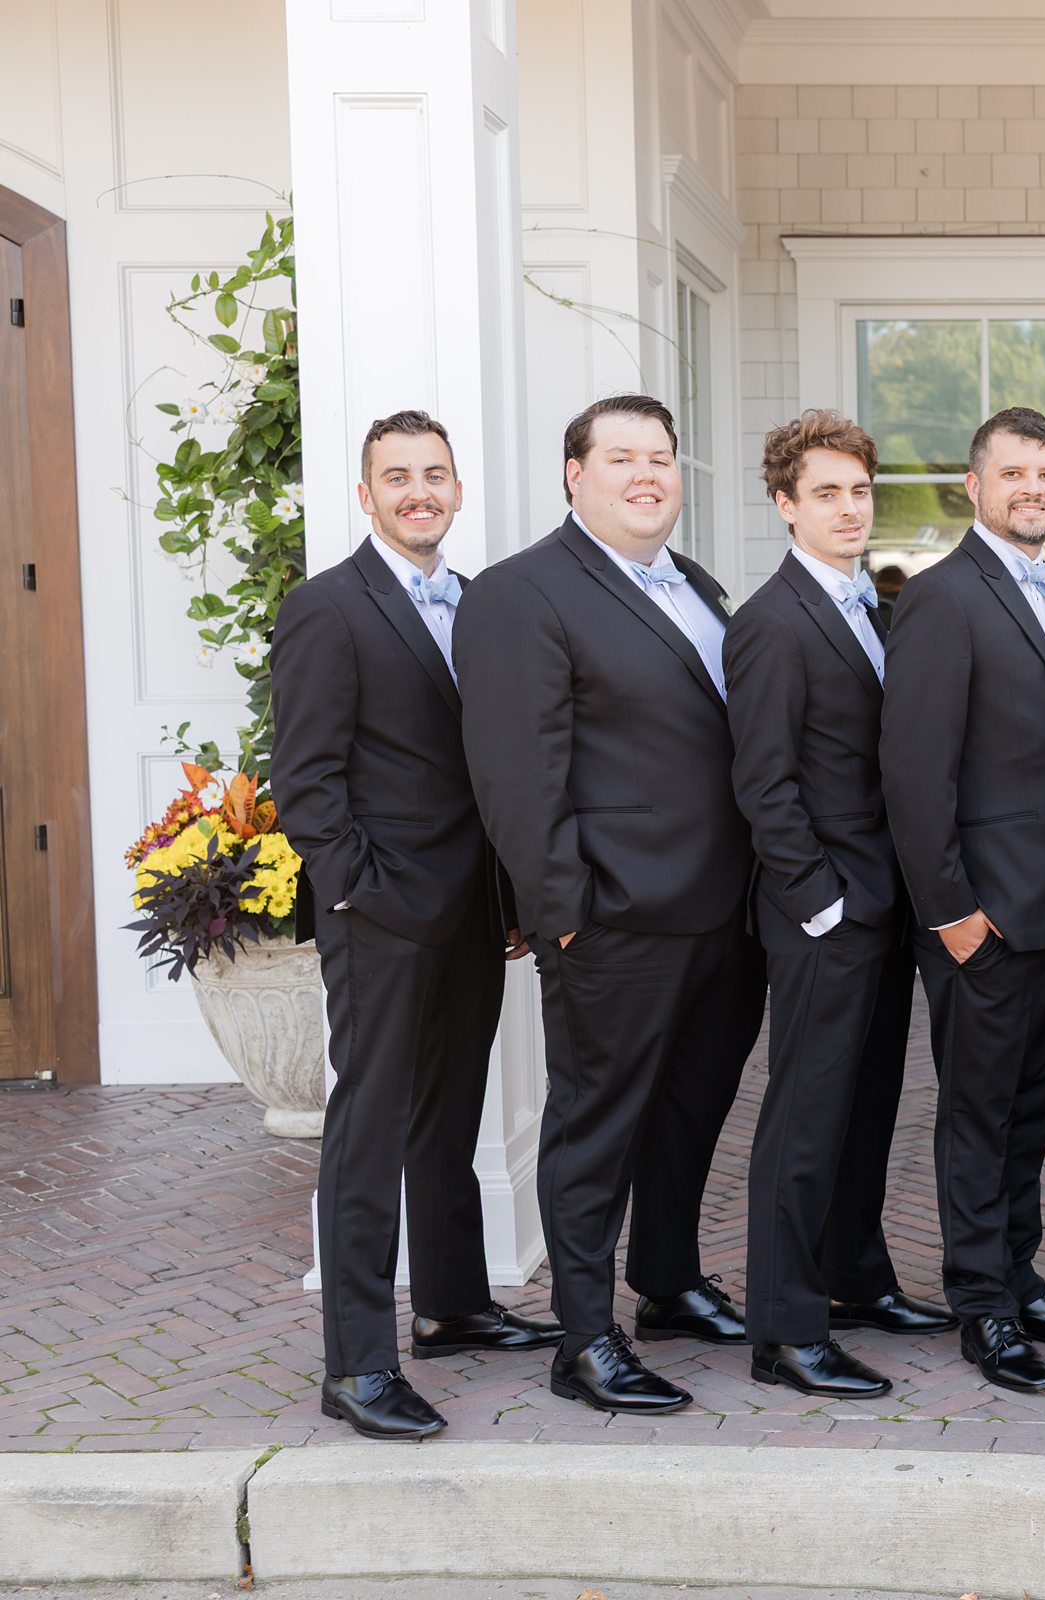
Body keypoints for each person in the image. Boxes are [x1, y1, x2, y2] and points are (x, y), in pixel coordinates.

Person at [455, 394, 766, 1415]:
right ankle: (585, 1337)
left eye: (663, 458)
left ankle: (669, 1283)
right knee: (596, 1128)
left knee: (688, 1117)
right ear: (573, 474)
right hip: (614, 919)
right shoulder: (520, 594)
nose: (648, 474)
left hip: (724, 914)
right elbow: (516, 774)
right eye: (623, 457)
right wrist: (563, 913)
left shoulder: (698, 585)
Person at [272, 409, 554, 1440]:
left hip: (475, 908)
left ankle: (452, 1303)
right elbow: (304, 780)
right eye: (398, 477)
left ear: (457, 488)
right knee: (371, 1126)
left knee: (452, 1110)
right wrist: (362, 890)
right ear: (366, 495)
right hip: (381, 912)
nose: (420, 491)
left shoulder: (480, 604)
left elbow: (500, 764)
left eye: (435, 474)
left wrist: (513, 896)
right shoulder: (327, 608)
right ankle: (356, 1364)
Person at [880, 406, 1045, 1394]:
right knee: (977, 1119)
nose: (1034, 488)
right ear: (974, 487)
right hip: (982, 920)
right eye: (1014, 473)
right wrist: (951, 913)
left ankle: (1020, 1279)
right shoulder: (944, 599)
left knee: (1029, 1113)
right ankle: (982, 1307)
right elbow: (914, 771)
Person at [725, 410, 956, 1402]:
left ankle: (858, 1278)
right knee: (805, 1120)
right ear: (786, 504)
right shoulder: (772, 621)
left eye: (859, 491)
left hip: (883, 908)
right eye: (826, 492)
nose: (849, 507)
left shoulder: (875, 605)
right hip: (826, 915)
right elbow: (764, 783)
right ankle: (785, 1325)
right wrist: (819, 903)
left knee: (867, 1111)